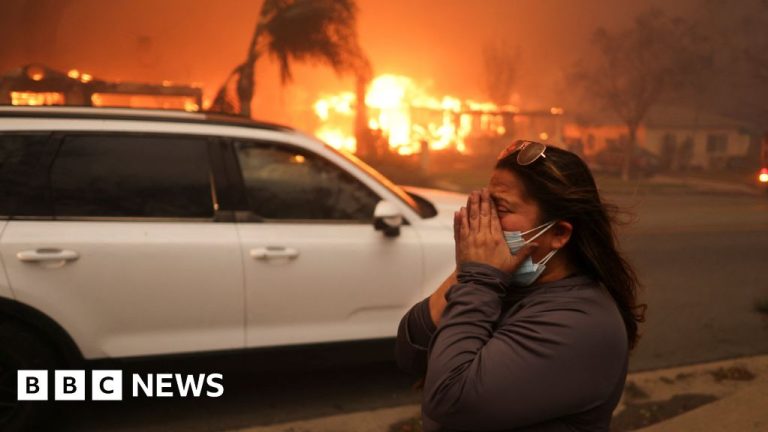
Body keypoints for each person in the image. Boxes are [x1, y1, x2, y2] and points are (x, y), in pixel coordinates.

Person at [395, 140, 645, 431]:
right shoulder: (499, 282)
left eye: (499, 209)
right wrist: (468, 269)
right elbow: (410, 350)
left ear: (559, 234)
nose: (483, 221)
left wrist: (478, 277)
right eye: (484, 204)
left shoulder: (581, 323)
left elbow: (450, 399)